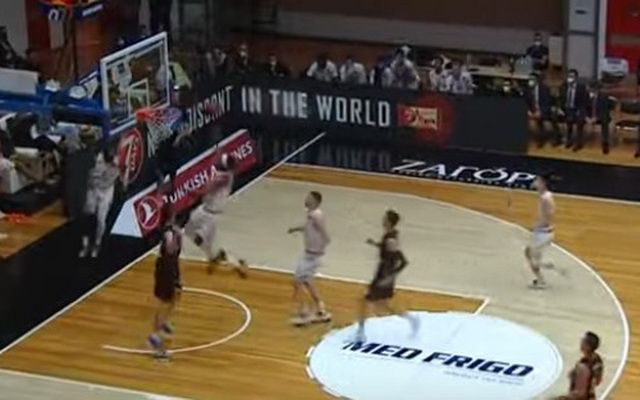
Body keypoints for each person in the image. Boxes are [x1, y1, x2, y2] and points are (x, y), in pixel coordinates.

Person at [356, 209, 419, 341]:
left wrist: (389, 278)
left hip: (384, 276)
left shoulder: (391, 239)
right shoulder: (389, 236)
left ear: (389, 222)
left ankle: (360, 333)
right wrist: (376, 244)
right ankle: (410, 318)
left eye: (385, 219)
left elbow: (403, 261)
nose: (382, 220)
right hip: (383, 275)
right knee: (383, 306)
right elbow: (387, 250)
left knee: (365, 301)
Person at [184, 153, 248, 277]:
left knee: (205, 241)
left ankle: (237, 265)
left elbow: (205, 190)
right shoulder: (224, 175)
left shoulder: (225, 178)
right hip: (202, 209)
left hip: (211, 216)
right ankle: (214, 257)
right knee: (188, 231)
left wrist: (192, 192)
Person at [287, 191, 332, 326]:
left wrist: (322, 244)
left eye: (309, 198)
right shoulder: (312, 214)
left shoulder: (315, 215)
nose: (306, 199)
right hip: (310, 254)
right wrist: (295, 229)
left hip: (312, 255)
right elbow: (308, 228)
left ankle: (305, 312)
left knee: (297, 281)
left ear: (315, 201)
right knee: (307, 282)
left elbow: (324, 232)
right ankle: (321, 309)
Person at [147, 206, 182, 360]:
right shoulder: (168, 233)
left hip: (171, 267)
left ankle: (164, 323)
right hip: (165, 269)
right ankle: (155, 338)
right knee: (164, 302)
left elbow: (175, 254)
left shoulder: (174, 231)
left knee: (175, 297)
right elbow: (170, 250)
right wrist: (176, 236)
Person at [79, 149, 120, 258]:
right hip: (93, 190)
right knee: (87, 217)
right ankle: (85, 244)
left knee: (101, 220)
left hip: (105, 192)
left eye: (100, 162)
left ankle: (97, 244)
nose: (98, 165)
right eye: (96, 162)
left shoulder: (113, 169)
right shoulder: (91, 166)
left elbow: (106, 183)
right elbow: (88, 180)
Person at [525, 173, 556, 289]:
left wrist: (538, 226)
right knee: (528, 252)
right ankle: (544, 267)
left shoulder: (546, 199)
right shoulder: (544, 196)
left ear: (543, 183)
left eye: (537, 181)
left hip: (543, 233)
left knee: (532, 257)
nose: (535, 182)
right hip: (542, 232)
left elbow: (549, 215)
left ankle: (542, 280)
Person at [554, 332, 604, 400]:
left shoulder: (583, 366)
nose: (580, 343)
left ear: (587, 346)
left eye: (582, 341)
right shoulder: (596, 360)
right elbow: (598, 381)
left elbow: (580, 393)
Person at [525, 73, 560, 147]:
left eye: (533, 79)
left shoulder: (544, 88)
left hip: (544, 109)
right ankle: (540, 137)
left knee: (553, 117)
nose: (531, 81)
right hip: (533, 111)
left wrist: (540, 111)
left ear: (537, 80)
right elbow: (526, 102)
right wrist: (529, 111)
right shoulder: (528, 89)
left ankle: (557, 137)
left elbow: (546, 103)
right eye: (530, 79)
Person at [559, 69, 589, 151]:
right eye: (569, 76)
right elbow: (560, 99)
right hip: (567, 109)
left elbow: (585, 101)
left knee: (579, 121)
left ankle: (579, 143)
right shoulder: (564, 86)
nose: (570, 78)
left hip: (578, 109)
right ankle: (568, 141)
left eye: (572, 76)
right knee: (567, 119)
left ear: (576, 78)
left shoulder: (581, 87)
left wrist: (580, 110)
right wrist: (560, 108)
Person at [586, 81, 615, 154]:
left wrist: (596, 118)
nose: (588, 90)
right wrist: (586, 117)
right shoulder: (585, 95)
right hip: (588, 116)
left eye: (590, 89)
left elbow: (604, 110)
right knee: (578, 117)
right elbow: (582, 107)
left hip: (600, 116)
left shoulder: (603, 97)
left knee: (604, 120)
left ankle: (605, 143)